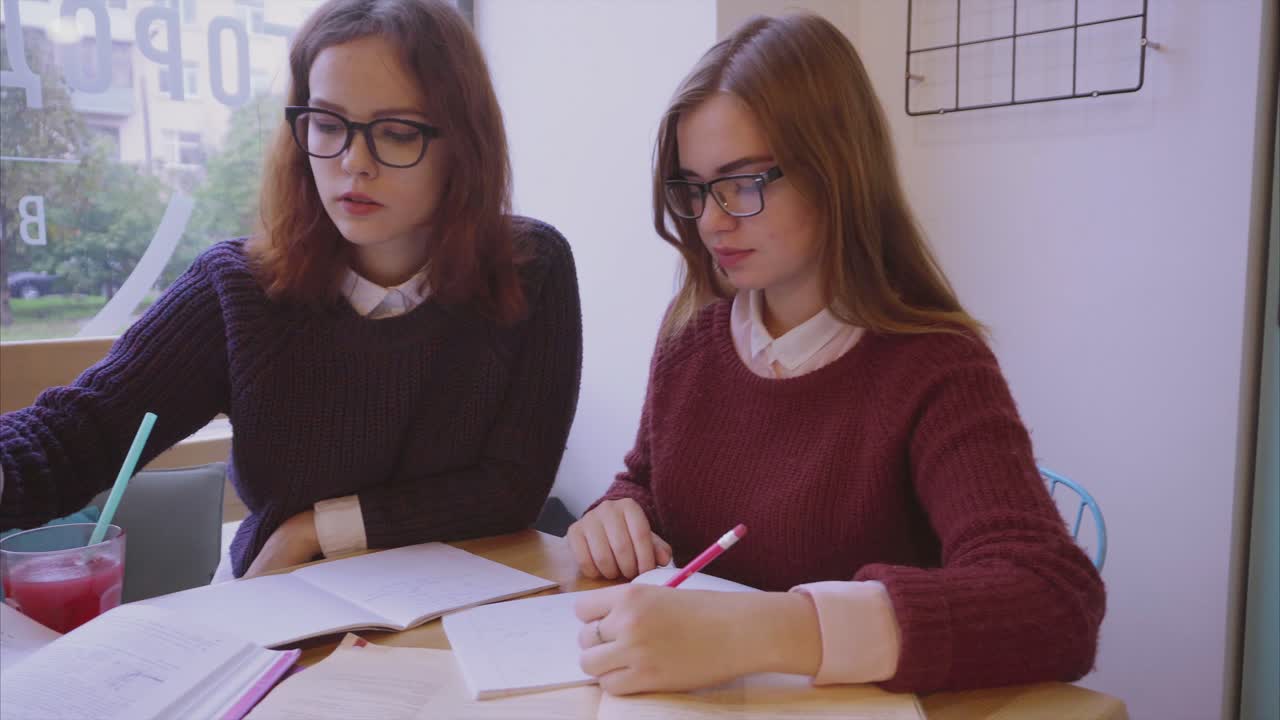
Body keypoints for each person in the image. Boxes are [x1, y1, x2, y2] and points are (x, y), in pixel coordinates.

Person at [567, 13, 1103, 696]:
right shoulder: (691, 341)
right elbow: (647, 481)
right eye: (695, 188)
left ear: (838, 172)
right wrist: (619, 512)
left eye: (743, 181)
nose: (710, 220)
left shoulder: (935, 366)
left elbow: (1055, 605)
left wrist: (755, 630)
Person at [0, 0, 582, 580]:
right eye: (328, 125)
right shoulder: (238, 288)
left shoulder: (531, 268)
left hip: (470, 603)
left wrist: (316, 528)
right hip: (286, 603)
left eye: (398, 132)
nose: (354, 163)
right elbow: (85, 430)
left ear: (464, 142)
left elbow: (512, 487)